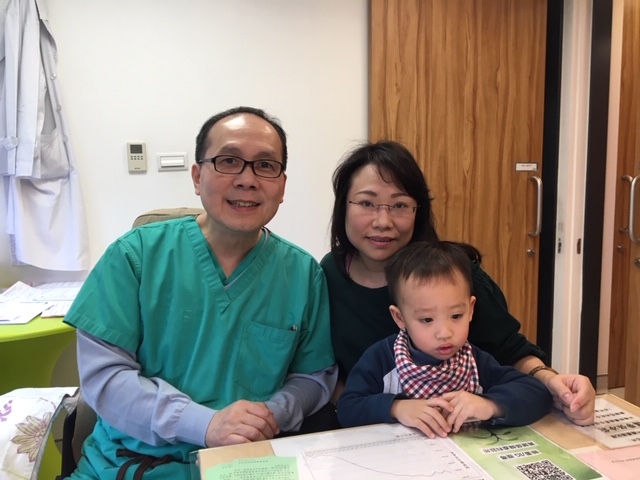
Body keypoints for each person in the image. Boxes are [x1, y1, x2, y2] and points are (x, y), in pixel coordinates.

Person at [64, 106, 337, 479]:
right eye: (229, 161)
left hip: (246, 465)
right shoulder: (134, 257)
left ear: (282, 186)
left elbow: (314, 376)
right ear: (197, 176)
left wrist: (272, 414)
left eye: (265, 165)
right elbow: (105, 379)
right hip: (130, 464)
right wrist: (204, 424)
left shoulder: (303, 274)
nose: (247, 179)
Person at [321, 140, 596, 426]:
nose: (383, 221)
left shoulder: (455, 276)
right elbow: (331, 377)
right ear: (343, 206)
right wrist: (388, 409)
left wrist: (551, 382)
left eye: (400, 204)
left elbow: (511, 351)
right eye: (366, 203)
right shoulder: (328, 274)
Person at [337, 241, 553, 436]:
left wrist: (490, 405)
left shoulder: (474, 361)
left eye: (456, 316)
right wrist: (396, 408)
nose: (444, 333)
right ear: (399, 318)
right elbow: (348, 409)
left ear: (471, 309)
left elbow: (536, 393)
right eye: (427, 319)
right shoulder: (382, 358)